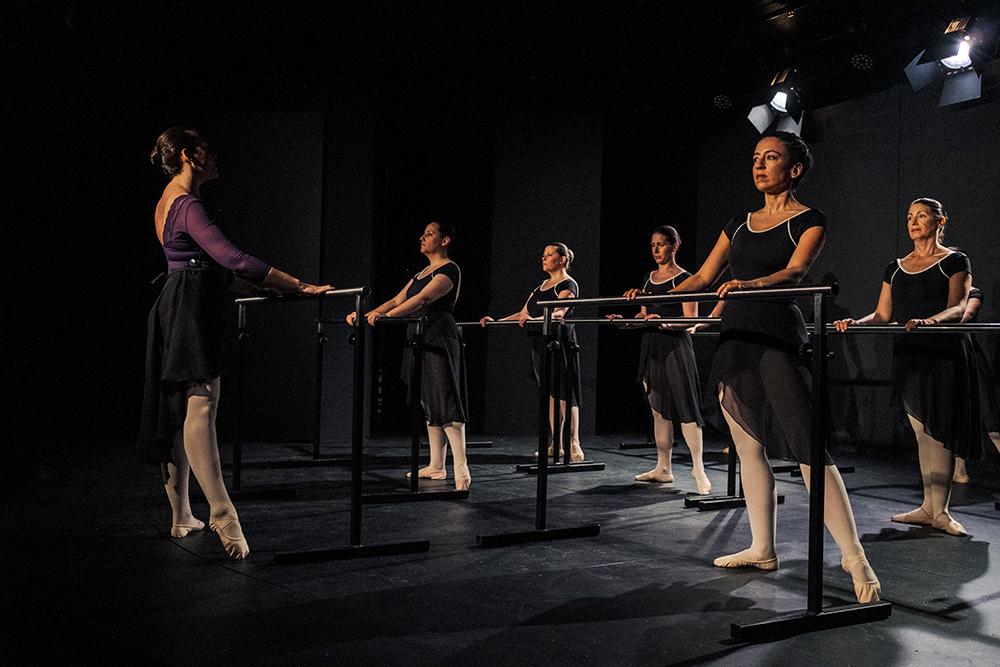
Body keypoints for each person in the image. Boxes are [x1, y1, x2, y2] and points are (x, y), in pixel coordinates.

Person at [658, 131, 880, 603]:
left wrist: (749, 284)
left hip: (775, 334)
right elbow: (703, 277)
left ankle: (854, 556)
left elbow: (796, 272)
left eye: (771, 158)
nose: (759, 165)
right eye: (756, 158)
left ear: (794, 169)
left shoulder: (809, 220)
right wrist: (650, 297)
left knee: (807, 447)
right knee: (748, 446)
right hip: (737, 337)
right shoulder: (737, 224)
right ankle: (762, 548)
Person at [140, 127, 332, 559]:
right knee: (201, 404)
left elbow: (212, 271)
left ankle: (182, 515)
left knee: (178, 412)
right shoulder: (187, 204)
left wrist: (271, 290)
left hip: (177, 300)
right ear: (189, 155)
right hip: (189, 306)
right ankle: (223, 511)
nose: (214, 156)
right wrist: (299, 284)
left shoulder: (166, 202)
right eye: (207, 149)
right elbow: (234, 259)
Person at [835, 199, 982, 535]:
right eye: (910, 217)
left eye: (922, 216)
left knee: (939, 432)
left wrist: (930, 321)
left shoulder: (955, 261)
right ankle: (928, 507)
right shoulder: (896, 267)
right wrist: (856, 323)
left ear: (940, 221)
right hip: (909, 353)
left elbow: (959, 306)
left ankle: (941, 512)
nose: (914, 222)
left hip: (942, 352)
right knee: (921, 431)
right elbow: (883, 314)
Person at [348, 222, 470, 490]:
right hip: (418, 333)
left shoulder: (449, 269)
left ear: (445, 241)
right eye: (423, 233)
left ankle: (461, 468)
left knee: (445, 398)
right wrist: (366, 314)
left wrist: (384, 317)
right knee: (428, 399)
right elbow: (396, 300)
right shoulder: (420, 273)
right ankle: (437, 466)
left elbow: (423, 300)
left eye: (429, 234)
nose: (422, 237)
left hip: (438, 333)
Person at [608, 226, 711, 494]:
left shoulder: (685, 278)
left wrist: (665, 322)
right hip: (652, 345)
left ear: (675, 246)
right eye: (653, 245)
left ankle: (698, 468)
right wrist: (626, 322)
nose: (655, 250)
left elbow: (691, 320)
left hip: (675, 345)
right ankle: (663, 468)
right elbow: (644, 315)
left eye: (661, 244)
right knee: (658, 408)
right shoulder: (648, 278)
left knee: (686, 408)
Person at [480, 243, 584, 462]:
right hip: (540, 342)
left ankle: (574, 442)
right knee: (551, 394)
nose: (543, 258)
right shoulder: (540, 286)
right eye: (543, 254)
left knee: (565, 394)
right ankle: (556, 444)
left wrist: (534, 320)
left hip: (559, 341)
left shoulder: (568, 284)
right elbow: (522, 313)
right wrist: (495, 321)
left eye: (549, 255)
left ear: (562, 259)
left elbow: (558, 313)